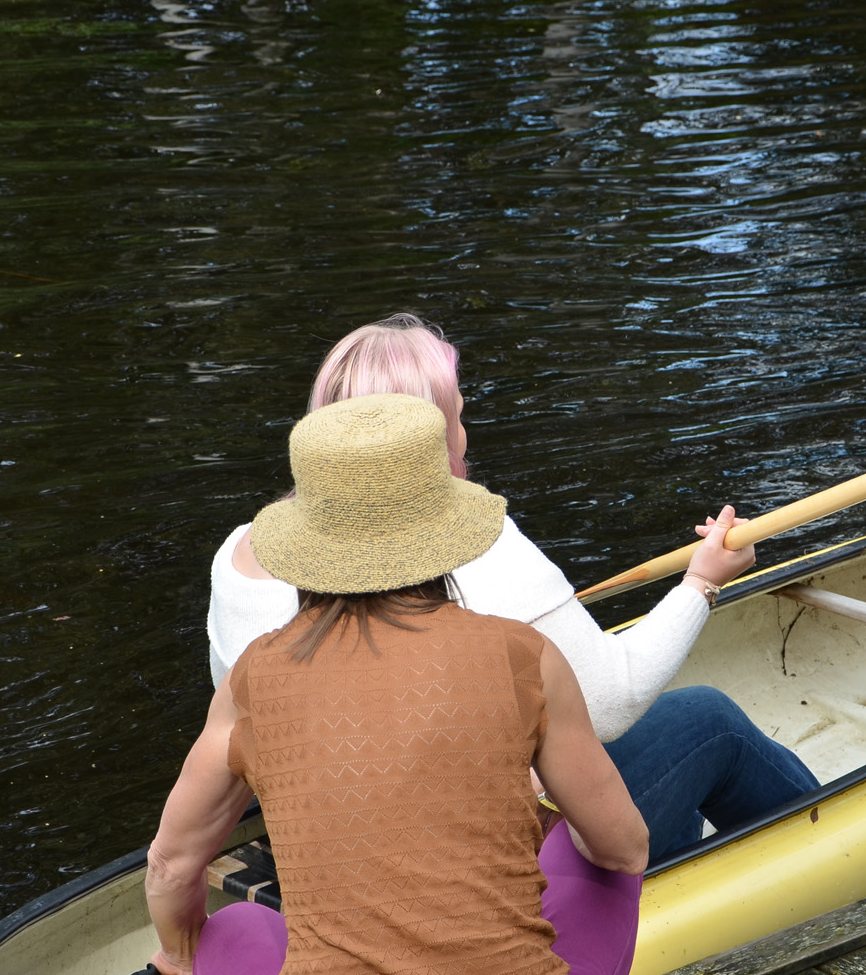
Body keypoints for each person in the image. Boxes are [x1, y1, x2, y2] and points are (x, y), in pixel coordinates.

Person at [149, 394, 650, 975]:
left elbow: (173, 865)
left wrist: (179, 953)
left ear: (306, 541)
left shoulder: (252, 681)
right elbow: (624, 844)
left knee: (231, 926)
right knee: (595, 860)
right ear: (441, 531)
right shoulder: (523, 654)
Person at [207, 314, 818, 863]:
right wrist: (701, 583)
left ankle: (680, 864)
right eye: (458, 415)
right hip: (474, 853)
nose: (464, 433)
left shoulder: (238, 554)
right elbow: (613, 702)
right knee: (707, 720)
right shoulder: (480, 545)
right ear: (429, 435)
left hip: (334, 839)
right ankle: (835, 842)